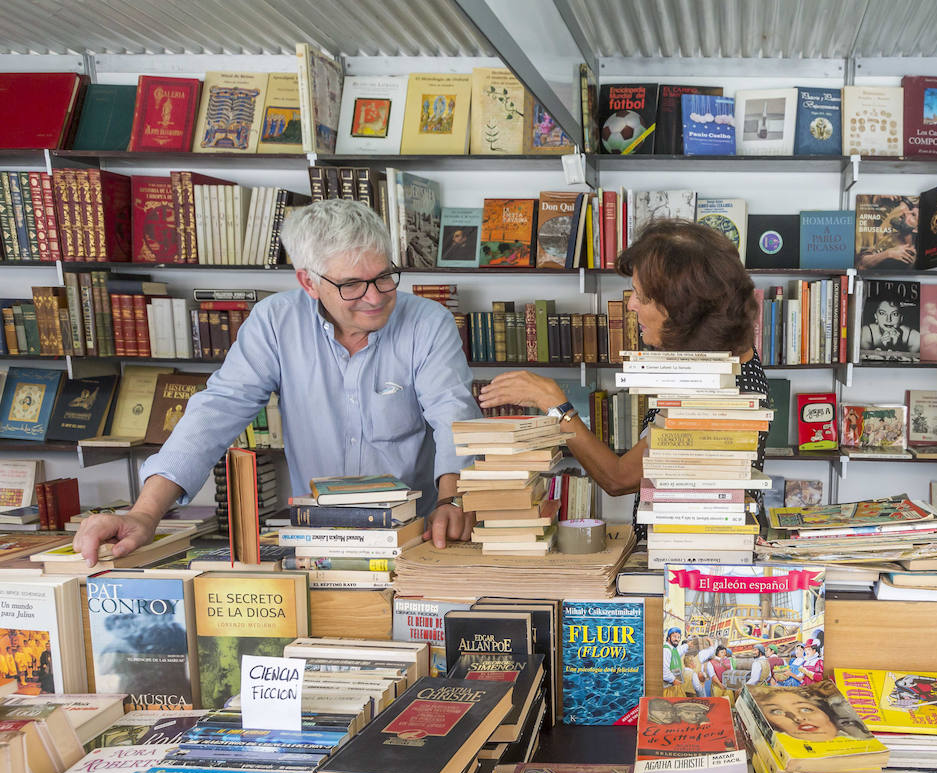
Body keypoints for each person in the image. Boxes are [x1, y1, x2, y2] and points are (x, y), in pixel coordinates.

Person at [72, 199, 482, 564]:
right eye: (352, 285)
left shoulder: (429, 322)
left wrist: (453, 500)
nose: (375, 297)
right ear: (309, 282)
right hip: (318, 539)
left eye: (383, 277)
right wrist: (144, 514)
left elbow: (453, 416)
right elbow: (215, 412)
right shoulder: (274, 321)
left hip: (418, 536)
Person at [475, 220, 768, 541]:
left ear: (681, 310)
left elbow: (619, 479)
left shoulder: (717, 392)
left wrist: (556, 406)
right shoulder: (719, 354)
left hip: (700, 562)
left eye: (641, 297)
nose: (630, 305)